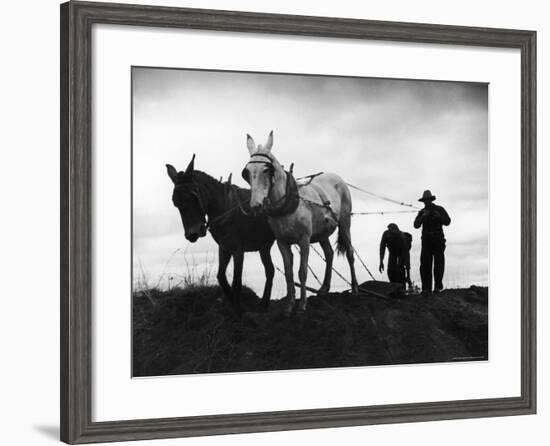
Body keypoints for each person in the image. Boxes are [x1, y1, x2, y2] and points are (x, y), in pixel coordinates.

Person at [413, 190, 451, 293]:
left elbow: (448, 221)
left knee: (439, 264)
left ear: (431, 200)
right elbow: (416, 225)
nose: (426, 202)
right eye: (425, 201)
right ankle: (426, 289)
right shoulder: (422, 212)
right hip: (426, 242)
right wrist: (422, 217)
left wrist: (439, 217)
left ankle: (437, 287)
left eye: (428, 200)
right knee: (425, 265)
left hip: (438, 240)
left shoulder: (439, 209)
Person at [379, 223, 412, 288]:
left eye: (392, 233)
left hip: (401, 253)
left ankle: (402, 287)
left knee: (400, 271)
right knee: (391, 271)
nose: (390, 234)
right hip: (392, 253)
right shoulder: (386, 234)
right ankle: (393, 287)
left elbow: (407, 256)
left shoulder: (402, 237)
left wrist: (408, 275)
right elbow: (382, 248)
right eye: (389, 231)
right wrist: (381, 262)